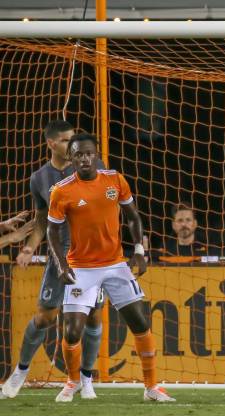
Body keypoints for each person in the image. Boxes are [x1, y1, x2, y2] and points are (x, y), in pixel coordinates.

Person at [47, 133, 174, 402]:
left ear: (96, 154)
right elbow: (52, 232)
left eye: (88, 153)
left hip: (115, 264)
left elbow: (133, 217)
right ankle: (72, 382)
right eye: (78, 154)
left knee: (140, 321)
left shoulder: (115, 180)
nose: (84, 158)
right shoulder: (62, 190)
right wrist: (60, 265)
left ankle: (151, 387)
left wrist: (139, 251)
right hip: (80, 268)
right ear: (71, 158)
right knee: (71, 331)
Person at [2, 121, 104, 400]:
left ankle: (86, 379)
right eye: (65, 141)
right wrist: (28, 248)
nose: (72, 146)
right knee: (46, 316)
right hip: (61, 255)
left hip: (93, 254)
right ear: (51, 144)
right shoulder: (39, 178)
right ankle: (20, 371)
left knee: (93, 316)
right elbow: (40, 220)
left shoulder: (90, 165)